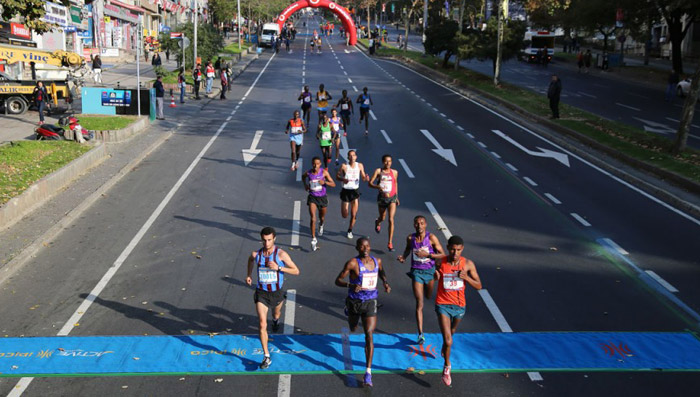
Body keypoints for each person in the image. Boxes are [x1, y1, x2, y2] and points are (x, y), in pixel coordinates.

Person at [335, 237, 391, 388]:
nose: (365, 249)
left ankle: (368, 372)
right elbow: (337, 280)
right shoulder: (353, 263)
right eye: (362, 247)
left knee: (369, 334)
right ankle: (350, 314)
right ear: (357, 248)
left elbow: (381, 271)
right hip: (354, 302)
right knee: (353, 327)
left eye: (367, 246)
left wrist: (385, 282)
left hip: (371, 302)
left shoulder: (377, 261)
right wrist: (350, 285)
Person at [246, 227, 300, 370]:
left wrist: (279, 268)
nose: (267, 243)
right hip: (261, 293)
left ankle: (276, 320)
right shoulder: (257, 254)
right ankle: (266, 356)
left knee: (276, 314)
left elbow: (296, 270)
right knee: (262, 324)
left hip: (276, 293)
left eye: (269, 240)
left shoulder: (281, 254)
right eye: (264, 240)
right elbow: (250, 259)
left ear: (274, 239)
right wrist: (249, 275)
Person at [434, 235, 482, 386]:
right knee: (448, 339)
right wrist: (434, 277)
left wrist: (466, 278)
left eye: (458, 250)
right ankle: (447, 367)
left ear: (462, 249)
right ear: (448, 248)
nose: (455, 253)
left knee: (452, 332)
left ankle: (445, 345)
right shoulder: (439, 262)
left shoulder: (468, 264)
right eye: (453, 249)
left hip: (459, 306)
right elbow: (432, 279)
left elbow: (479, 286)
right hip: (443, 304)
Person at [397, 216, 445, 344]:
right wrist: (404, 257)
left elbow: (443, 254)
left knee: (428, 296)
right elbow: (408, 249)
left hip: (429, 271)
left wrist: (428, 255)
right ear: (414, 225)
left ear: (426, 225)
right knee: (420, 303)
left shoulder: (431, 238)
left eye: (422, 223)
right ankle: (420, 334)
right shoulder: (410, 238)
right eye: (417, 223)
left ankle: (434, 276)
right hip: (416, 271)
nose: (419, 226)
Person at [302, 157, 336, 252]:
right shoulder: (308, 173)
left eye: (317, 164)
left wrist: (324, 182)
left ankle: (321, 225)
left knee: (322, 217)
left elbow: (333, 184)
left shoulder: (324, 173)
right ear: (312, 164)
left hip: (322, 198)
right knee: (313, 218)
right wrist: (305, 185)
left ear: (320, 164)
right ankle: (313, 239)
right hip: (312, 197)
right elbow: (303, 176)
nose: (315, 165)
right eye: (313, 163)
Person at [368, 154, 399, 252]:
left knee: (391, 219)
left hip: (392, 198)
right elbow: (370, 183)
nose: (388, 163)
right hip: (382, 198)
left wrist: (397, 196)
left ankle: (390, 242)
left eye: (389, 161)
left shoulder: (394, 172)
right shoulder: (378, 171)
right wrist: (377, 187)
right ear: (383, 162)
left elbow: (395, 183)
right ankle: (378, 221)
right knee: (383, 217)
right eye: (386, 161)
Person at [336, 150, 368, 239]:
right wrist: (343, 179)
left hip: (355, 191)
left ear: (356, 157)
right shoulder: (344, 166)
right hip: (346, 191)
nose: (352, 157)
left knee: (354, 214)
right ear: (347, 157)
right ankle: (344, 209)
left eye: (353, 155)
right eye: (350, 156)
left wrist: (366, 178)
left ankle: (350, 230)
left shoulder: (360, 165)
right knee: (345, 215)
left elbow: (363, 177)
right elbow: (337, 176)